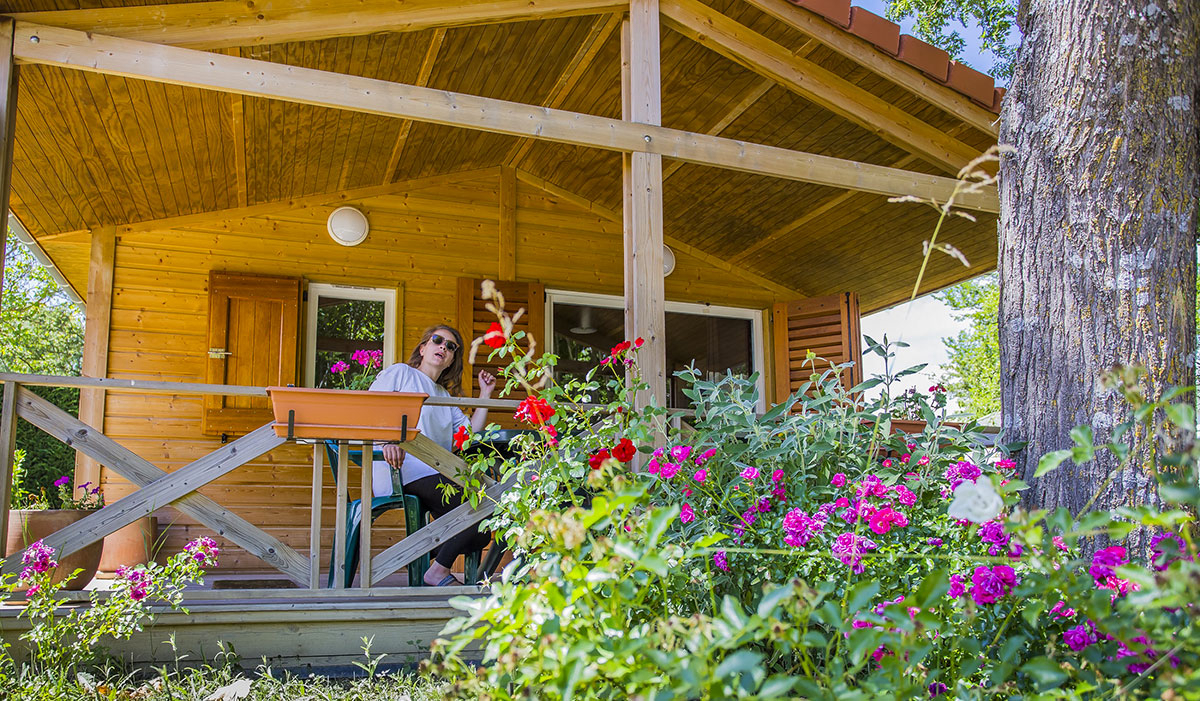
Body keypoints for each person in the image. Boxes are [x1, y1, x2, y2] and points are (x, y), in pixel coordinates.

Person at [369, 324, 496, 586]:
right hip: (397, 470)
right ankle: (436, 571)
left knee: (482, 532)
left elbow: (469, 434)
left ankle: (418, 554)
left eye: (451, 347)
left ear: (451, 360)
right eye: (438, 341)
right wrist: (387, 440)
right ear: (423, 347)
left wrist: (485, 394)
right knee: (479, 503)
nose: (443, 348)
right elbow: (374, 406)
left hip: (434, 475)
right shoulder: (400, 373)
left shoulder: (443, 396)